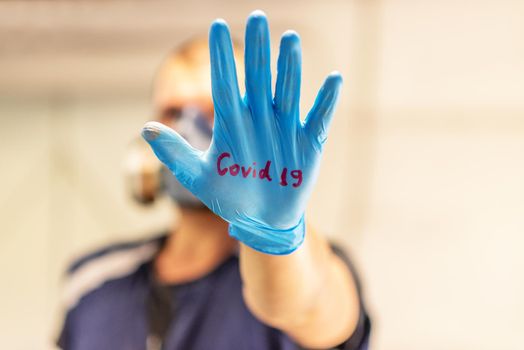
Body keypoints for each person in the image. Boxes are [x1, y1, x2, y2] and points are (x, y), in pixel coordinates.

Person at [57, 10, 371, 350]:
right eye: (173, 112)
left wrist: (273, 232)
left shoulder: (300, 262)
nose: (189, 129)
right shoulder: (92, 279)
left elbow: (303, 304)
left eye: (211, 111)